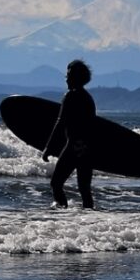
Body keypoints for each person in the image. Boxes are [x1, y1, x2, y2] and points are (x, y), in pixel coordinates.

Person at [42, 59, 97, 209]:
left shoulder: (70, 96)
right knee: (84, 189)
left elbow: (61, 123)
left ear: (77, 78)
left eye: (69, 75)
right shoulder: (88, 98)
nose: (66, 78)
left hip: (74, 146)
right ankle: (90, 219)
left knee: (56, 183)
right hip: (88, 148)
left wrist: (48, 148)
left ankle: (62, 215)